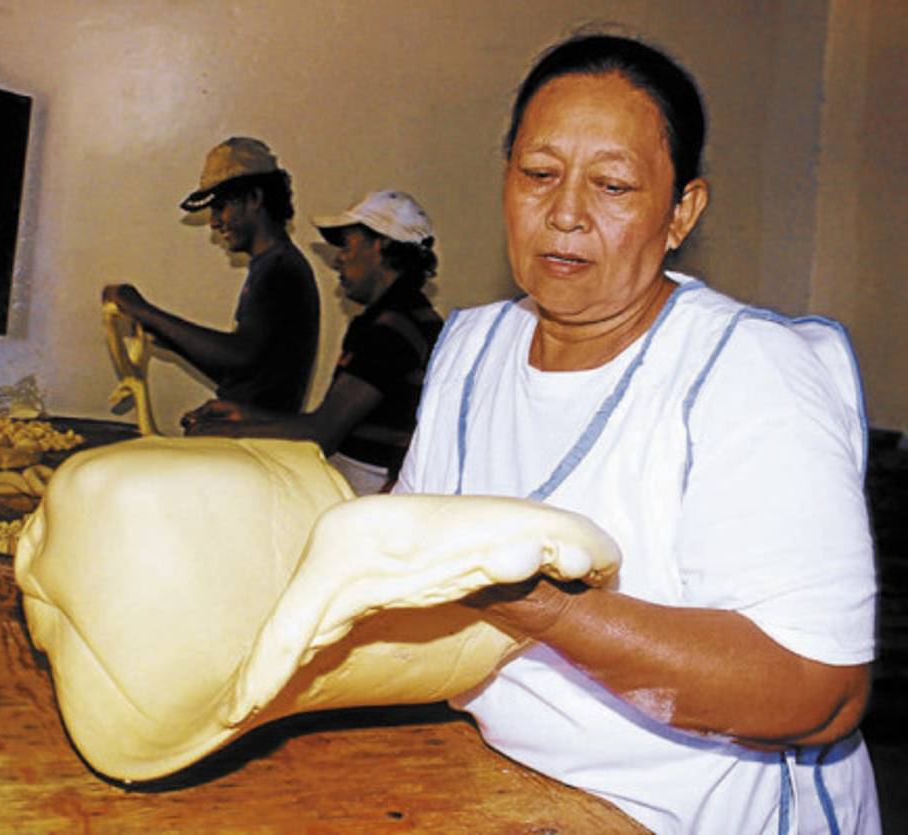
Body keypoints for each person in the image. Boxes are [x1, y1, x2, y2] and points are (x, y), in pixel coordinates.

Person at [394, 34, 880, 834]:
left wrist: (537, 604)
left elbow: (819, 691)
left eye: (614, 184)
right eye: (539, 174)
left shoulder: (746, 371)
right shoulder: (471, 349)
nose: (566, 214)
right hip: (513, 788)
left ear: (681, 211)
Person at [184, 190, 443, 495]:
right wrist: (243, 414)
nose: (338, 260)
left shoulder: (392, 329)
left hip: (367, 487)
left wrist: (223, 433)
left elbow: (323, 433)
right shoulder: (407, 316)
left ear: (380, 243)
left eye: (346, 246)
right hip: (360, 474)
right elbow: (327, 423)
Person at [102, 137, 319, 414]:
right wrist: (164, 335)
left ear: (254, 198)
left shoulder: (280, 269)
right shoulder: (272, 264)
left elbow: (238, 358)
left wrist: (143, 310)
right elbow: (251, 371)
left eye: (220, 207)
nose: (214, 222)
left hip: (256, 440)